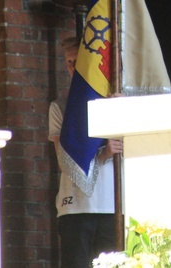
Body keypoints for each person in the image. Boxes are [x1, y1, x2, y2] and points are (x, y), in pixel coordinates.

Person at [48, 37, 123, 267]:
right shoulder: (60, 106)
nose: (73, 67)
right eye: (69, 62)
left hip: (112, 204)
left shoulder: (118, 101)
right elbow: (63, 160)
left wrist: (124, 110)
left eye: (78, 61)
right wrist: (102, 155)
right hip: (76, 206)